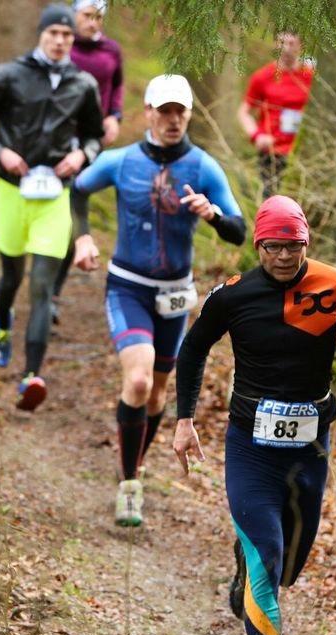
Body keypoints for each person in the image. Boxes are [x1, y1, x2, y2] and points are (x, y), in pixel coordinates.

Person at [172, 195, 336, 635]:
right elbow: (192, 350)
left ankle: (248, 567)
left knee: (287, 562)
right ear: (259, 245)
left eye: (293, 246)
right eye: (273, 247)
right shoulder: (233, 297)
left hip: (310, 448)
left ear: (306, 243)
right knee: (267, 554)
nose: (283, 257)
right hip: (251, 449)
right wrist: (184, 418)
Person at [71, 74, 246, 527]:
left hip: (174, 295)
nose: (172, 120)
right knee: (139, 382)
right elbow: (79, 189)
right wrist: (83, 238)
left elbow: (239, 229)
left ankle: (135, 463)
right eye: (163, 111)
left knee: (157, 397)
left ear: (188, 115)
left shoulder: (203, 167)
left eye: (180, 112)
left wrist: (214, 214)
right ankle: (130, 482)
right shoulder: (121, 161)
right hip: (128, 285)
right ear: (147, 111)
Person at [0, 3, 103, 411]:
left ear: (75, 39)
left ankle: (30, 376)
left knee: (41, 285)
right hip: (11, 192)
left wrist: (82, 157)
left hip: (55, 196)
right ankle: (2, 322)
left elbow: (94, 135)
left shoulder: (83, 84)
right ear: (41, 35)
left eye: (67, 35)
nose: (59, 41)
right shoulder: (8, 75)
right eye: (53, 33)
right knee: (11, 278)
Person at [50, 0, 125, 326]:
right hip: (57, 142)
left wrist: (115, 117)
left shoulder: (111, 50)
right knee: (52, 212)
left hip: (90, 146)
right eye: (87, 16)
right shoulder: (61, 46)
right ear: (74, 15)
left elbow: (117, 86)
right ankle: (39, 280)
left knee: (72, 214)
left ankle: (52, 292)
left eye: (99, 17)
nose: (93, 23)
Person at [237, 32, 315, 199]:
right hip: (272, 151)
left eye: (291, 44)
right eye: (281, 42)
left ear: (301, 46)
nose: (285, 49)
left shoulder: (311, 77)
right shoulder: (262, 77)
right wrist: (257, 136)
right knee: (273, 201)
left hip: (304, 151)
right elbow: (244, 112)